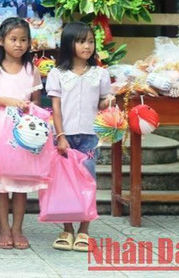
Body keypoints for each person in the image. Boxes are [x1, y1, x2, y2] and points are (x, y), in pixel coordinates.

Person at [46, 21, 113, 253]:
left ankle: (84, 229)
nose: (87, 46)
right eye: (81, 41)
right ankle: (67, 229)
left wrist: (109, 102)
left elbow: (103, 102)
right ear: (69, 43)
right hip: (66, 137)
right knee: (65, 183)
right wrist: (60, 135)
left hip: (90, 137)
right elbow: (55, 108)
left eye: (91, 41)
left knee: (87, 182)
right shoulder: (58, 74)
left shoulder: (100, 74)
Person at [0, 17, 44, 250]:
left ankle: (18, 228)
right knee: (2, 182)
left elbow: (36, 102)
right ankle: (4, 228)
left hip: (23, 133)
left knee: (20, 181)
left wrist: (29, 111)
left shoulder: (31, 70)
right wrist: (6, 101)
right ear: (1, 41)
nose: (18, 44)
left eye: (23, 40)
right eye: (13, 39)